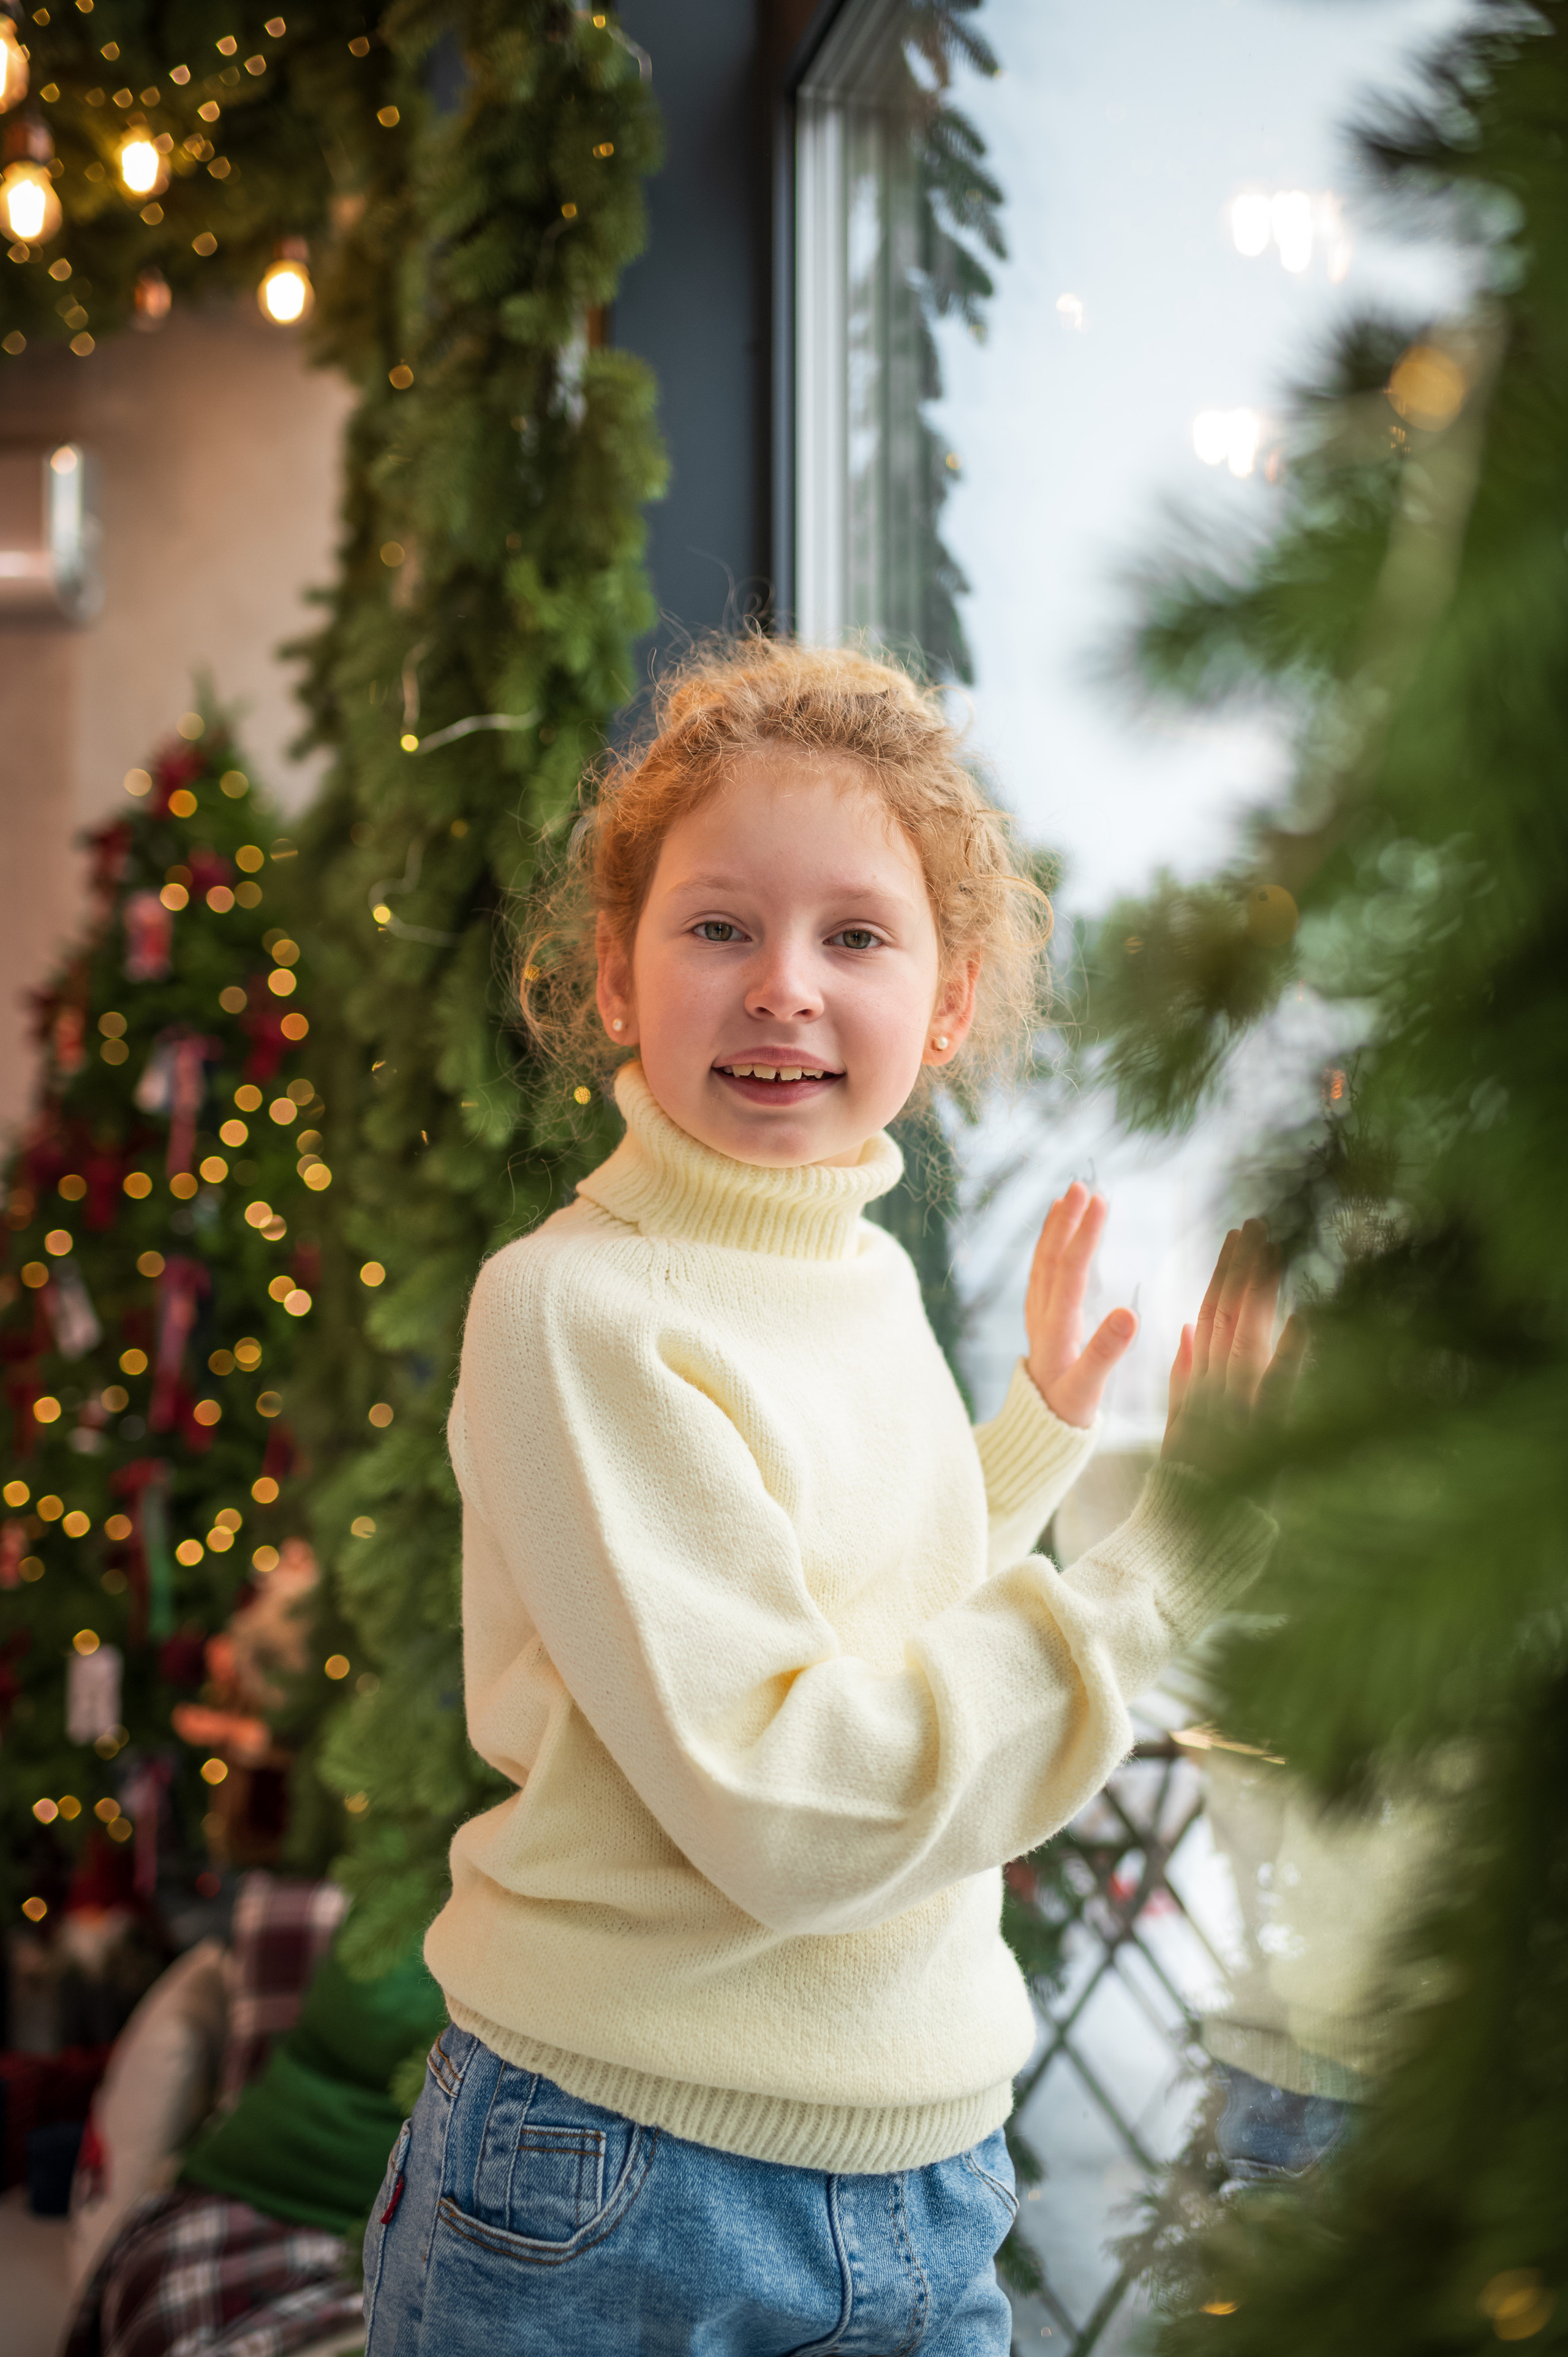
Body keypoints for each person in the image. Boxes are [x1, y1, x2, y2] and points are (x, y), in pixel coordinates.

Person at [364, 641, 1300, 2356]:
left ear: (944, 1006)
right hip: (628, 2178)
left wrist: (1024, 1444)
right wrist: (1157, 1573)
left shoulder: (854, 1277)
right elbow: (791, 1804)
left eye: (854, 936)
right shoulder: (577, 1310)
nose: (783, 985)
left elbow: (857, 1628)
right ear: (616, 976)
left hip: (932, 2161)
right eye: (719, 927)